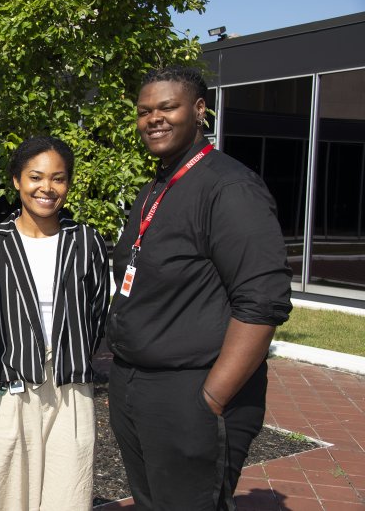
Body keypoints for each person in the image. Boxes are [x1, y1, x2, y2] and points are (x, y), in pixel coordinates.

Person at [106, 66, 293, 509]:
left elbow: (262, 302)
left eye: (167, 107)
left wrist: (210, 399)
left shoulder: (229, 187)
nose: (154, 118)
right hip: (137, 387)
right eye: (144, 110)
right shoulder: (160, 184)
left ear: (199, 110)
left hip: (192, 392)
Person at [0, 136, 110, 510]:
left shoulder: (87, 241)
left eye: (58, 178)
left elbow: (98, 310)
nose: (47, 188)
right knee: (9, 493)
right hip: (11, 384)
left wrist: (72, 351)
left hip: (71, 384)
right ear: (17, 180)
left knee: (69, 493)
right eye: (36, 177)